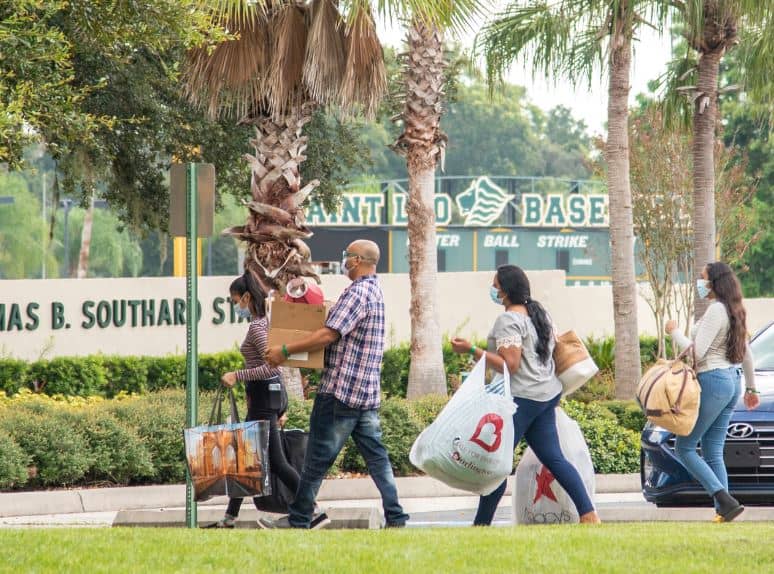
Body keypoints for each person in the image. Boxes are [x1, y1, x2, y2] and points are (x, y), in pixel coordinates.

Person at [259, 240, 409, 529]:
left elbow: (328, 334)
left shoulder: (357, 293)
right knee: (377, 460)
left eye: (346, 255)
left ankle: (301, 518)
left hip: (341, 392)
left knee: (316, 459)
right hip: (365, 394)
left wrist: (285, 351)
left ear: (357, 260)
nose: (344, 260)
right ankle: (396, 516)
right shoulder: (374, 291)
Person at [451, 265, 601, 525]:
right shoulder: (539, 314)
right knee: (553, 458)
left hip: (522, 399)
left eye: (496, 286)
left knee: (496, 463)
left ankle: (481, 523)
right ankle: (589, 514)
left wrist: (471, 349)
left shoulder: (509, 320)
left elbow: (510, 364)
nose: (494, 290)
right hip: (546, 395)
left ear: (507, 291)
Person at [208, 272, 328, 530]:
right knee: (248, 458)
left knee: (275, 461)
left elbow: (272, 367)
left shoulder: (257, 326)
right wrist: (281, 405)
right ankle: (230, 518)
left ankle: (313, 509)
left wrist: (236, 375)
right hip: (266, 400)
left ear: (247, 297)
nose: (235, 305)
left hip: (263, 400)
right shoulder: (264, 323)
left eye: (235, 300)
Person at [665, 261, 759, 523]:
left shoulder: (717, 310)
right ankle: (724, 511)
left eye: (702, 278)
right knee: (713, 450)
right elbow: (747, 354)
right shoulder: (734, 309)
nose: (699, 282)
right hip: (732, 381)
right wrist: (751, 388)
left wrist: (674, 333)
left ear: (715, 282)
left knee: (684, 447)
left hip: (714, 380)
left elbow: (697, 352)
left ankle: (724, 499)